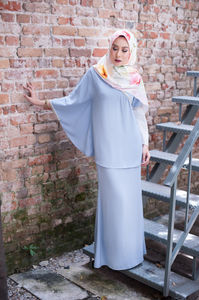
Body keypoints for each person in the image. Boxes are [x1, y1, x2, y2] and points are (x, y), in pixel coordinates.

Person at [24, 29, 150, 270]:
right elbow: (73, 101)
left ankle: (132, 254)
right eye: (115, 47)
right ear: (109, 47)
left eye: (124, 50)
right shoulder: (96, 74)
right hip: (108, 150)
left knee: (130, 202)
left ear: (131, 51)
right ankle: (113, 257)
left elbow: (139, 114)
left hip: (131, 147)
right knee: (114, 201)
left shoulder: (134, 78)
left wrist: (145, 143)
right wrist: (41, 102)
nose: (118, 54)